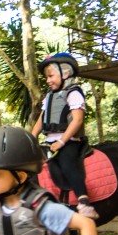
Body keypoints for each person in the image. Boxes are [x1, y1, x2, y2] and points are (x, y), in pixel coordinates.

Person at [30, 52, 97, 218]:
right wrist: (31, 137)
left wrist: (62, 141)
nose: (48, 80)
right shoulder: (49, 96)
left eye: (51, 76)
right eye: (47, 77)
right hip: (49, 142)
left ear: (65, 73)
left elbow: (77, 120)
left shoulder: (73, 93)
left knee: (67, 163)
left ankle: (83, 202)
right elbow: (41, 119)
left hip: (69, 142)